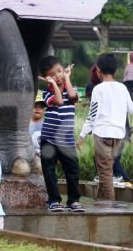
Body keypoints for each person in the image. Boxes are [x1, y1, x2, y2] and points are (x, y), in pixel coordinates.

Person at [79, 52, 133, 201]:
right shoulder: (122, 88)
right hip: (118, 135)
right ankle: (101, 203)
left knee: (105, 173)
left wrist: (81, 135)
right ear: (116, 71)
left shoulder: (98, 89)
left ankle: (109, 207)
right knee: (106, 170)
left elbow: (92, 115)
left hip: (102, 134)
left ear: (98, 70)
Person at [38, 54, 84, 212]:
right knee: (49, 171)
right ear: (46, 78)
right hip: (49, 139)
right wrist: (53, 84)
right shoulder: (47, 94)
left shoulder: (72, 89)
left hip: (67, 141)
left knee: (72, 170)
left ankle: (73, 201)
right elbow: (59, 101)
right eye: (52, 75)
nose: (57, 76)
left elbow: (71, 96)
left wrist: (67, 77)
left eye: (59, 71)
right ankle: (54, 201)